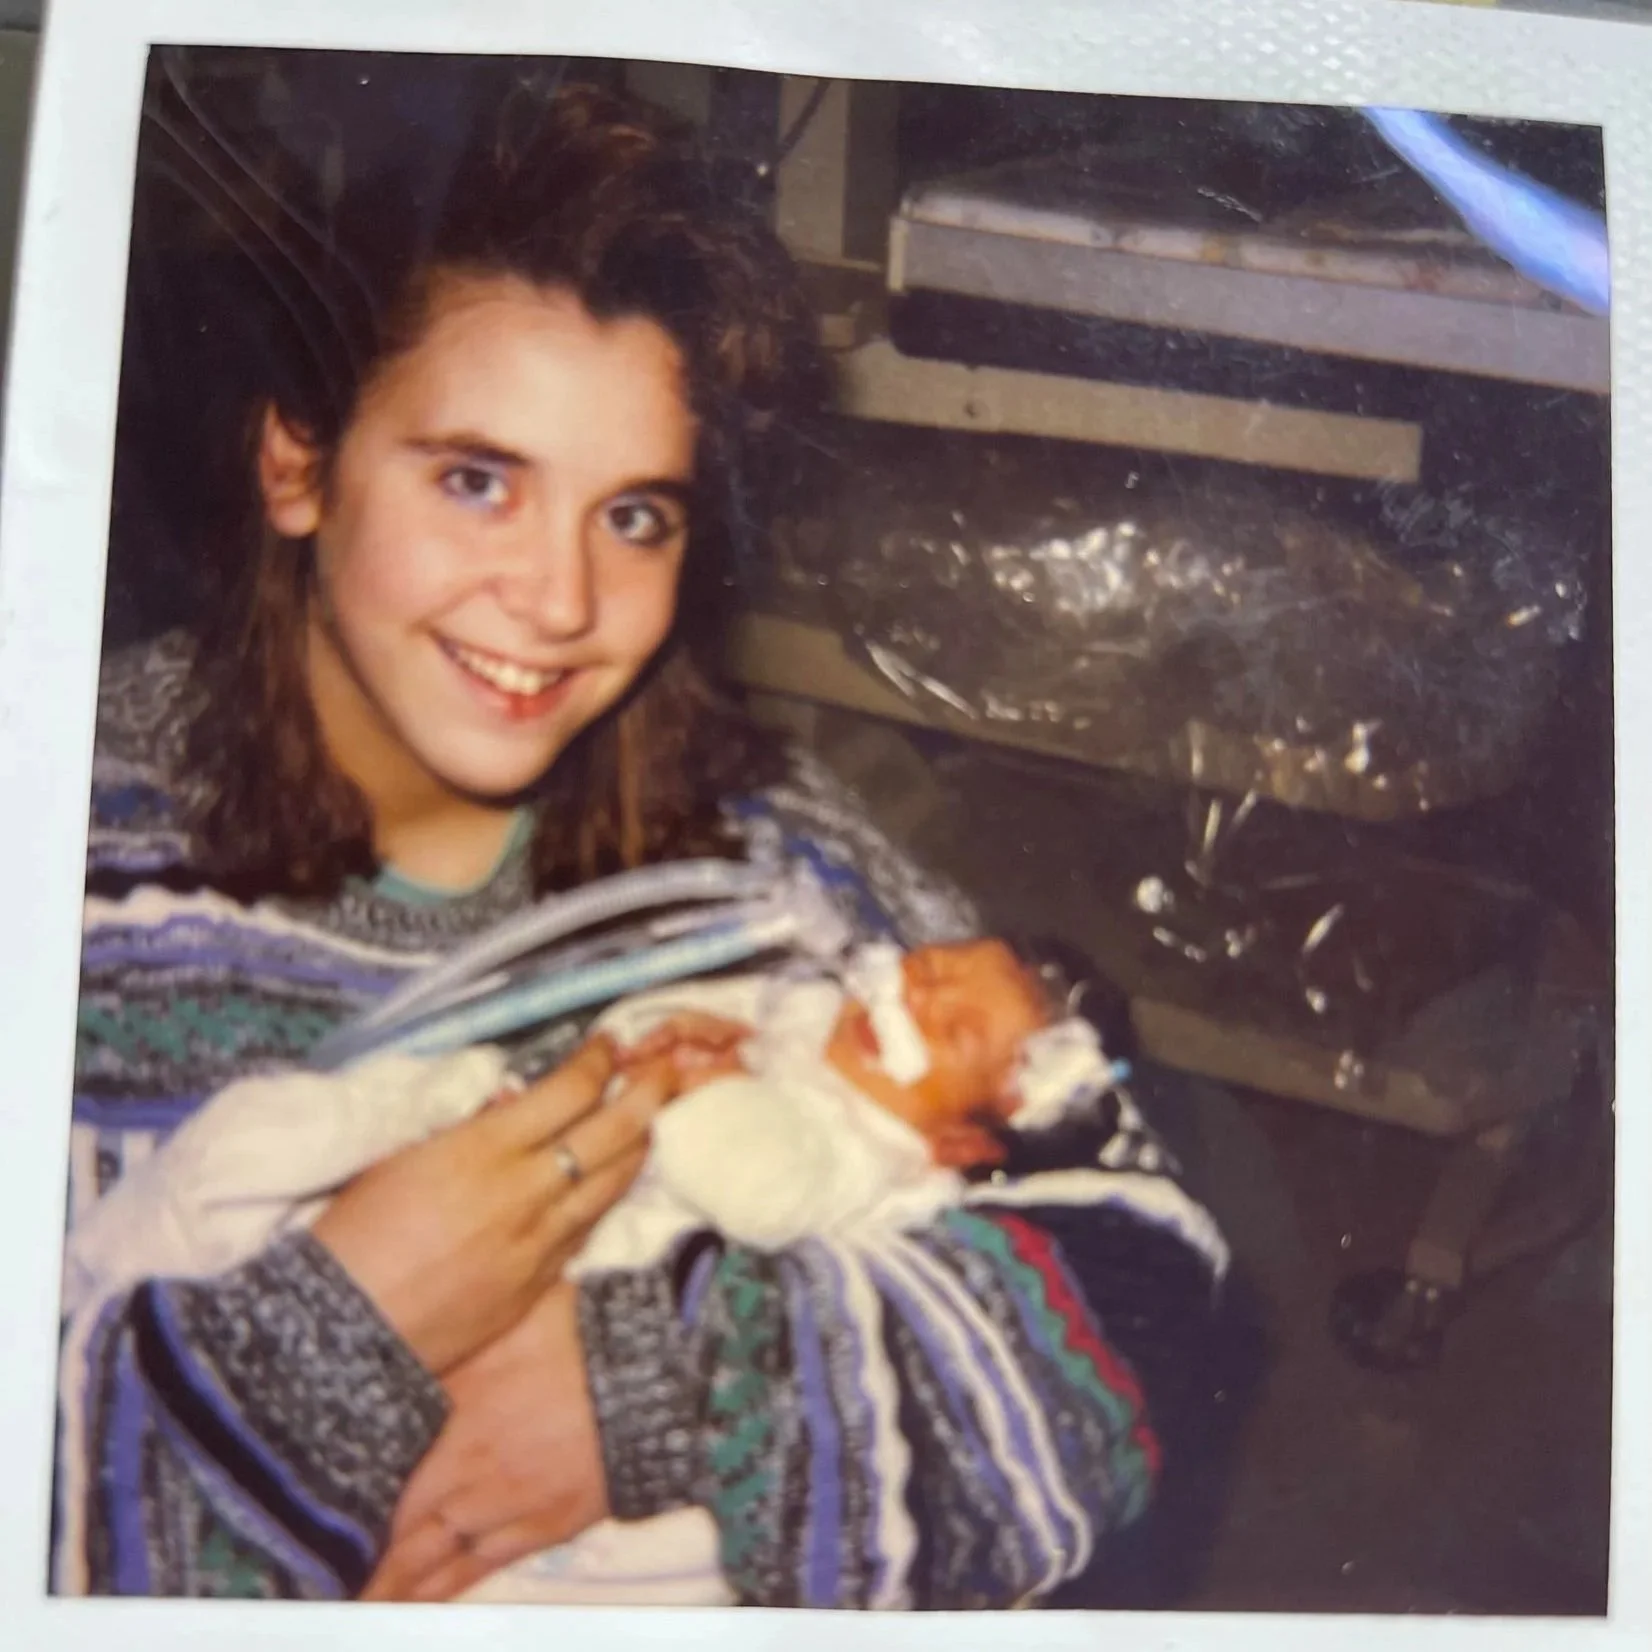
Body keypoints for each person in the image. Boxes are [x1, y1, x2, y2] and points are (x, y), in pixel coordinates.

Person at [60, 67, 1247, 1609]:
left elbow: (1149, 1269)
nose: (561, 604)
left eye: (635, 516)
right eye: (477, 481)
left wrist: (658, 1381)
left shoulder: (773, 858)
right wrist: (330, 1331)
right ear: (298, 460)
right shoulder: (76, 892)